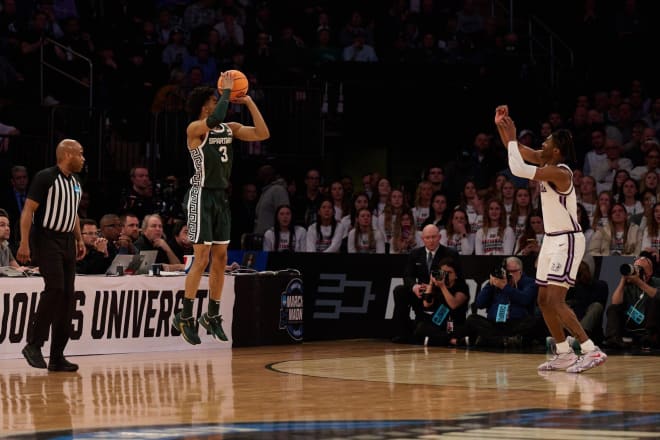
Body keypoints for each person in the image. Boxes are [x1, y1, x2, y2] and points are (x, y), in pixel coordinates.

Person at [495, 105, 607, 373]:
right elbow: (517, 151)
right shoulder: (546, 161)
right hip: (551, 240)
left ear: (556, 150)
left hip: (567, 240)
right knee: (543, 300)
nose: (541, 143)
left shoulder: (560, 172)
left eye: (546, 142)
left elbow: (518, 168)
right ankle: (564, 352)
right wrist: (503, 127)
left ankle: (591, 350)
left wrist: (510, 136)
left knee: (556, 300)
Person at [172, 72, 270, 345]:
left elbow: (263, 133)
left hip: (221, 199)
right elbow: (213, 120)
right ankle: (185, 314)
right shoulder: (195, 128)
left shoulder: (230, 129)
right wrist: (227, 92)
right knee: (201, 257)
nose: (220, 102)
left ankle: (212, 314)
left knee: (220, 259)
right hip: (200, 196)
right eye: (215, 99)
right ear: (206, 104)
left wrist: (248, 102)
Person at [17, 139, 86, 372]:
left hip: (67, 240)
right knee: (55, 288)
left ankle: (57, 357)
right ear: (67, 154)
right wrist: (24, 242)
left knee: (67, 298)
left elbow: (73, 212)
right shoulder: (45, 177)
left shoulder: (76, 182)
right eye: (80, 154)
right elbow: (28, 210)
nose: (83, 158)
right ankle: (34, 345)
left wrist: (78, 239)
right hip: (46, 239)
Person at [391, 224, 460, 343]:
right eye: (428, 238)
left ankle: (440, 334)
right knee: (400, 290)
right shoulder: (415, 254)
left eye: (434, 237)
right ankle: (402, 333)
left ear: (439, 237)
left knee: (422, 328)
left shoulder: (450, 254)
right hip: (421, 291)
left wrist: (434, 286)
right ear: (423, 239)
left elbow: (455, 278)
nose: (431, 240)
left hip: (440, 293)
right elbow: (408, 275)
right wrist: (415, 286)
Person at [450, 256, 538, 348]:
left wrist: (505, 287)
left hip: (516, 324)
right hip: (495, 325)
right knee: (472, 319)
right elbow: (479, 304)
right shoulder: (496, 283)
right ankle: (504, 341)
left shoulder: (529, 282)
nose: (508, 274)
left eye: (512, 271)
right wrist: (490, 285)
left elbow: (524, 299)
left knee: (533, 321)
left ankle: (492, 340)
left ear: (520, 271)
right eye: (506, 271)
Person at [605, 254, 660, 350]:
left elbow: (657, 296)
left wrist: (639, 282)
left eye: (640, 268)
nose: (637, 270)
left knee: (655, 301)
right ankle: (613, 340)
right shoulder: (629, 285)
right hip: (629, 328)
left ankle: (649, 340)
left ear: (649, 272)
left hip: (647, 330)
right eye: (635, 267)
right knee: (612, 309)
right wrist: (623, 280)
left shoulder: (656, 282)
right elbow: (615, 303)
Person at [414, 257, 469, 346]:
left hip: (455, 323)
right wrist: (431, 283)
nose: (446, 275)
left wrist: (443, 287)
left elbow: (453, 304)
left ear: (456, 275)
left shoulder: (462, 287)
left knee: (463, 330)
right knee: (420, 327)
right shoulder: (437, 286)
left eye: (449, 272)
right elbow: (426, 304)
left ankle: (433, 340)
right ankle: (452, 341)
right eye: (443, 272)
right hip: (439, 323)